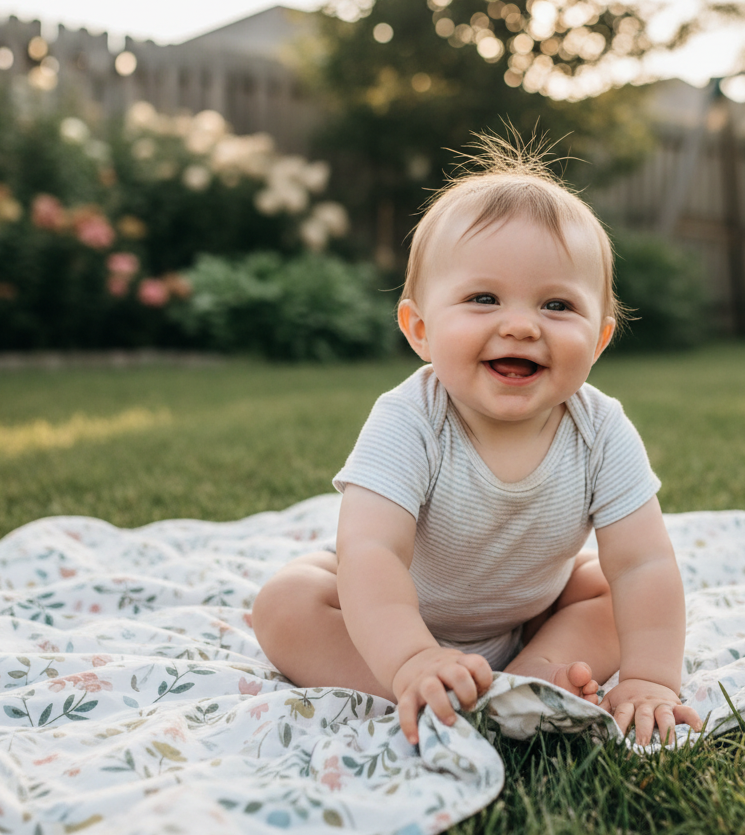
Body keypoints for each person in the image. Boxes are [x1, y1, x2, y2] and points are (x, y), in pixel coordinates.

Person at [251, 135, 702, 748]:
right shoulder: (410, 418)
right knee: (287, 602)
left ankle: (521, 684)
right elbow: (371, 552)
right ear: (420, 329)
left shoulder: (600, 429)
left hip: (530, 614)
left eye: (557, 304)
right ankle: (421, 687)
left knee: (606, 591)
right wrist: (410, 655)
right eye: (483, 299)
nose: (520, 324)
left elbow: (643, 562)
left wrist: (651, 678)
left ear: (597, 341)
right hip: (395, 616)